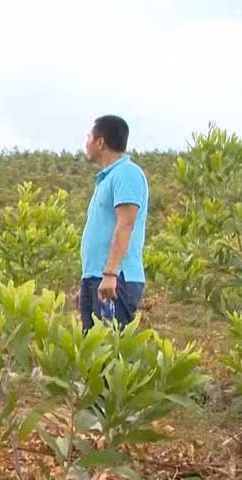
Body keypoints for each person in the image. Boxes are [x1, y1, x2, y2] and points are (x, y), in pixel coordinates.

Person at [79, 115, 149, 332]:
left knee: (111, 347)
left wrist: (110, 274)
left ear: (100, 142)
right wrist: (88, 280)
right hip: (97, 278)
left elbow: (126, 224)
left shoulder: (126, 174)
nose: (86, 143)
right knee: (91, 349)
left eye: (89, 137)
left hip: (116, 279)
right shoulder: (106, 179)